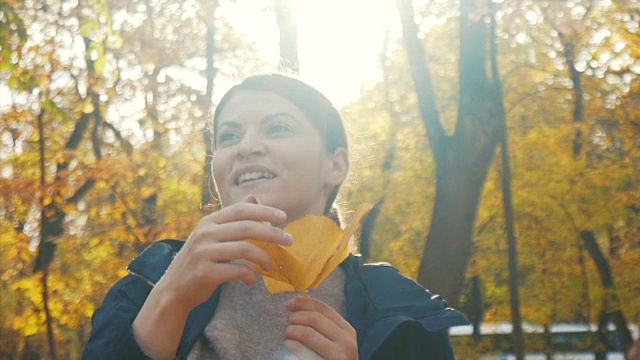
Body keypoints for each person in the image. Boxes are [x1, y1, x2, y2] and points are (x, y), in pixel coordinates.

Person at [82, 74, 468, 360]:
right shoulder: (144, 287)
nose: (246, 147)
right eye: (228, 137)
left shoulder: (402, 313)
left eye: (278, 128)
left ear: (335, 165)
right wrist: (169, 297)